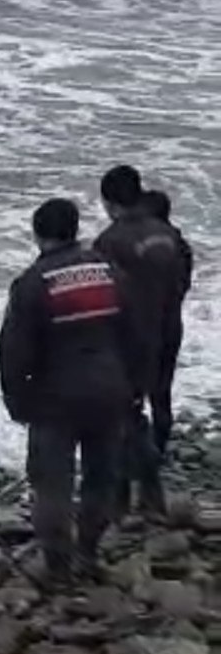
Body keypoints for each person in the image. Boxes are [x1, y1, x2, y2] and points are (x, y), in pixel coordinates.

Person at [0, 197, 136, 586]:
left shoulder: (32, 283)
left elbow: (13, 351)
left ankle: (57, 569)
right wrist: (134, 385)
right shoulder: (110, 271)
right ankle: (88, 555)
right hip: (110, 391)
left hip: (55, 401)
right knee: (100, 478)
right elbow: (135, 332)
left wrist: (16, 401)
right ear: (74, 230)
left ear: (38, 234)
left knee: (52, 484)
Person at [94, 164, 181, 515]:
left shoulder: (110, 241)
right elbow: (183, 279)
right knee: (161, 398)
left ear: (110, 202)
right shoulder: (168, 233)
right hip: (169, 327)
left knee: (125, 414)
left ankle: (132, 494)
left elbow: (104, 296)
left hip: (130, 339)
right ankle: (157, 463)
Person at [140, 188, 194, 457]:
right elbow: (183, 285)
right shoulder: (179, 245)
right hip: (172, 324)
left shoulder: (143, 247)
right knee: (162, 391)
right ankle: (160, 446)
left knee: (135, 394)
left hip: (146, 330)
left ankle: (136, 452)